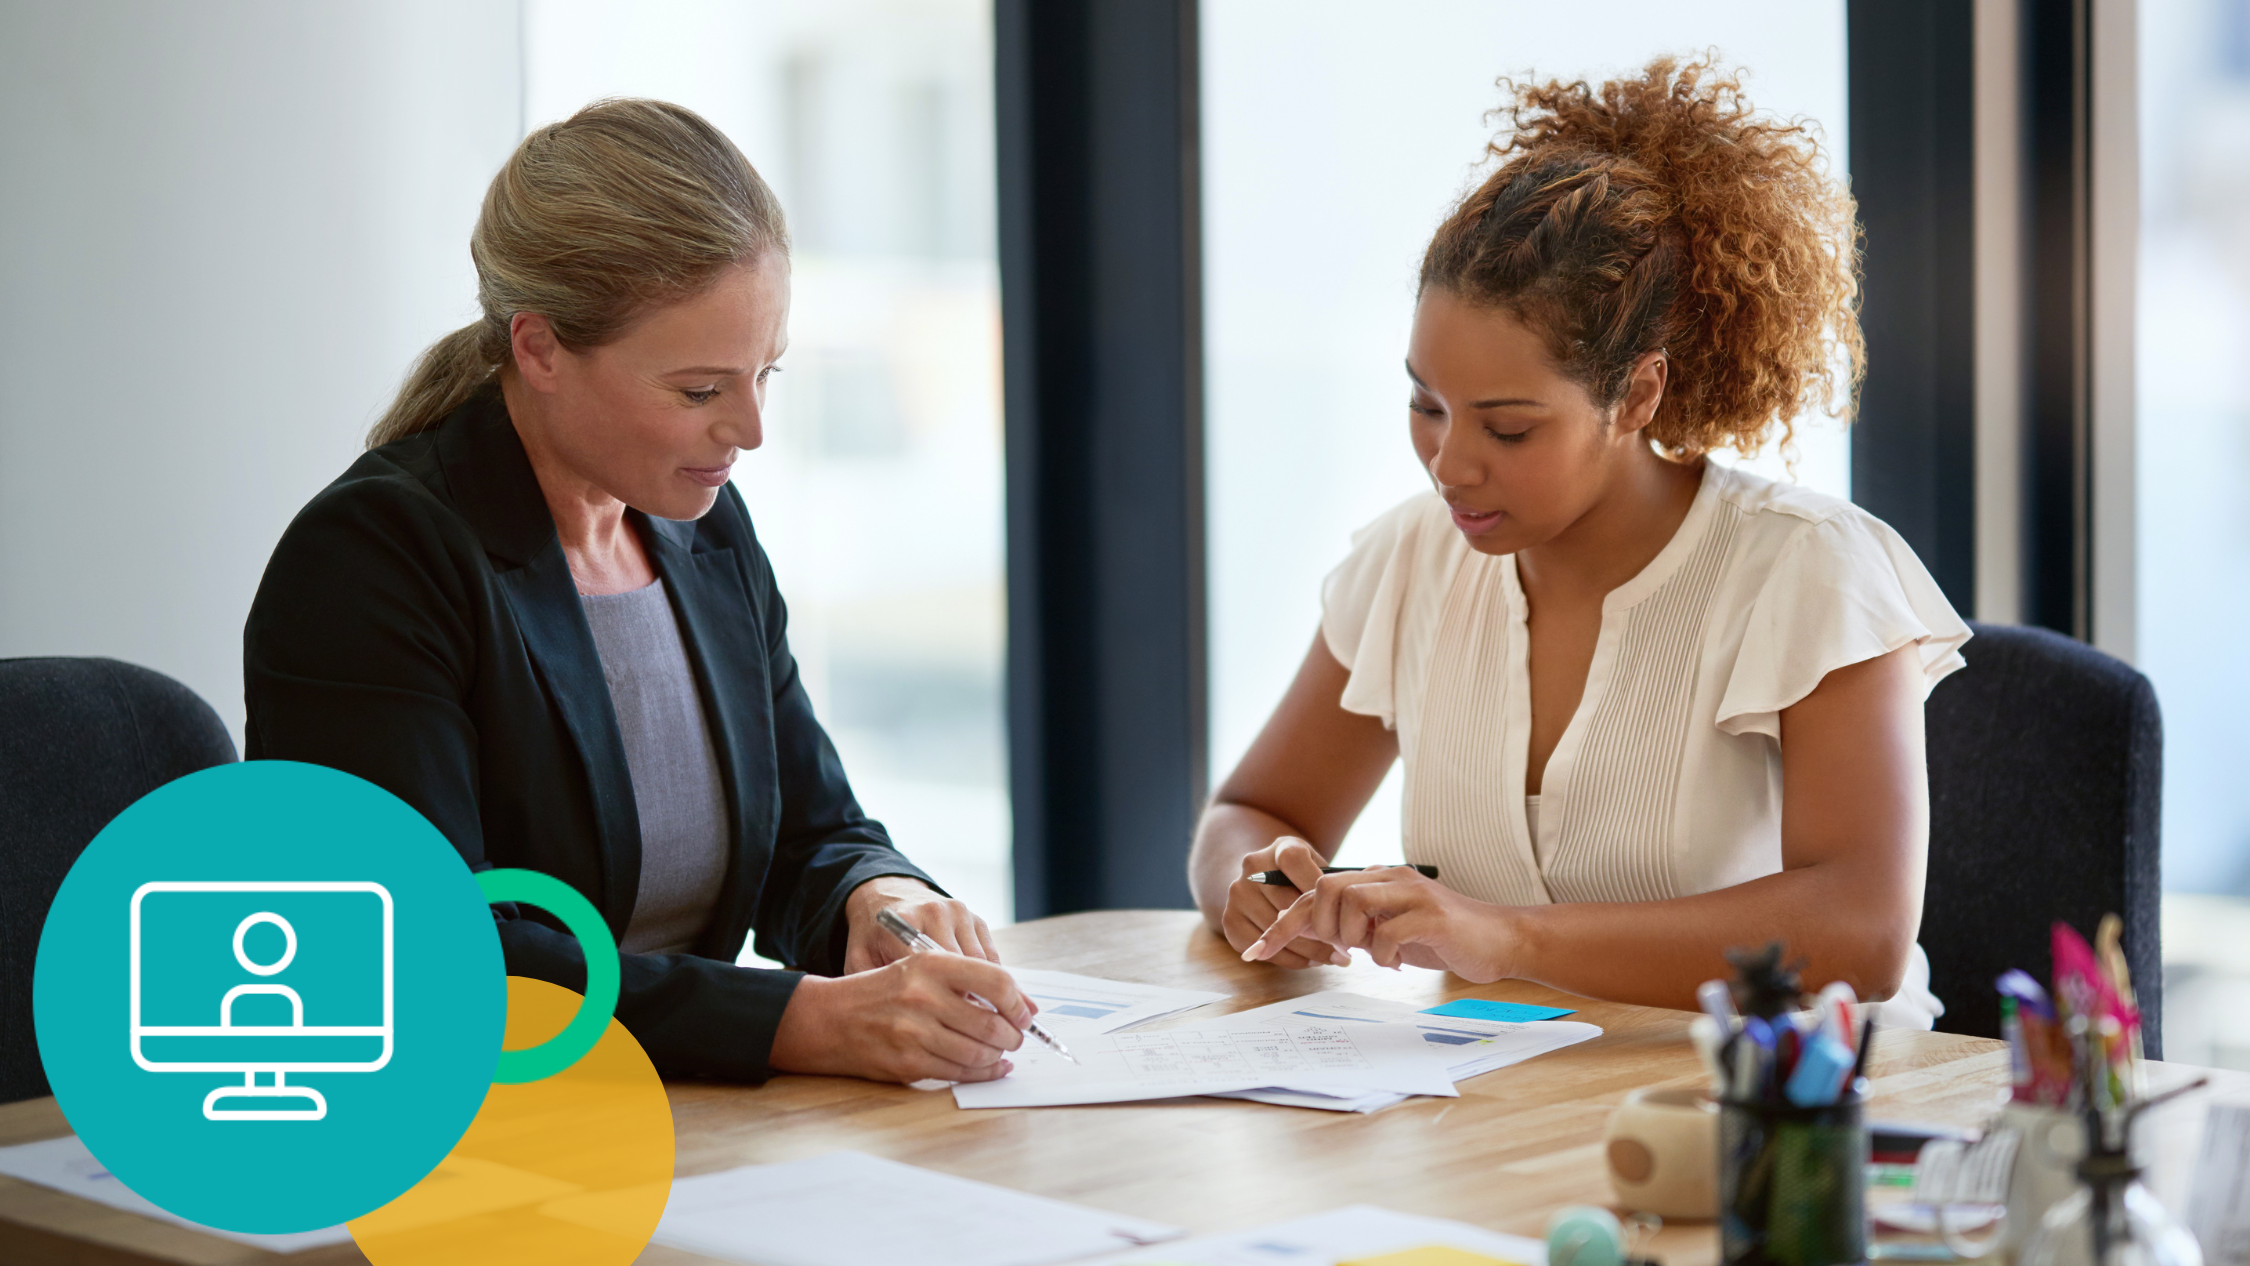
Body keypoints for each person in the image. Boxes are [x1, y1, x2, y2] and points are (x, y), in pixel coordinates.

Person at [245, 99, 1032, 1084]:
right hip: (467, 1136)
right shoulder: (373, 559)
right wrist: (802, 1024)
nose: (749, 429)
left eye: (765, 374)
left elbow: (811, 833)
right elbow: (429, 954)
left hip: (677, 1130)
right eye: (701, 391)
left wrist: (879, 902)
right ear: (538, 350)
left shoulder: (699, 532)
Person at [1191, 58, 1964, 1025]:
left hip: (1783, 1118)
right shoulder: (1410, 562)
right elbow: (1249, 815)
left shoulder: (1809, 571)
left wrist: (1505, 939)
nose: (1450, 464)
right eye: (1426, 405)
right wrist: (1259, 884)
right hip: (1506, 1107)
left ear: (1637, 395)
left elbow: (1863, 930)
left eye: (1507, 428)